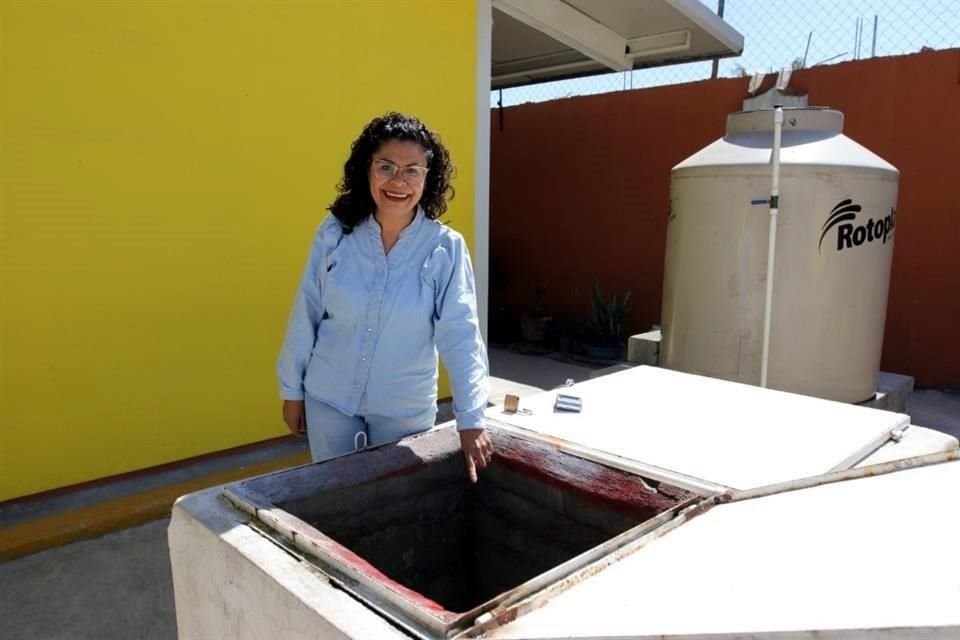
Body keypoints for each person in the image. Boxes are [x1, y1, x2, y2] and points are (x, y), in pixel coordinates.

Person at [277, 112, 492, 482]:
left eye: (412, 170)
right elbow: (307, 311)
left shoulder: (445, 249)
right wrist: (291, 389)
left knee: (394, 501)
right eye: (386, 166)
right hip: (329, 401)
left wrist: (471, 418)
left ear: (428, 177)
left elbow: (461, 336)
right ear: (368, 169)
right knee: (335, 497)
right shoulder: (335, 234)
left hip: (404, 411)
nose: (398, 181)